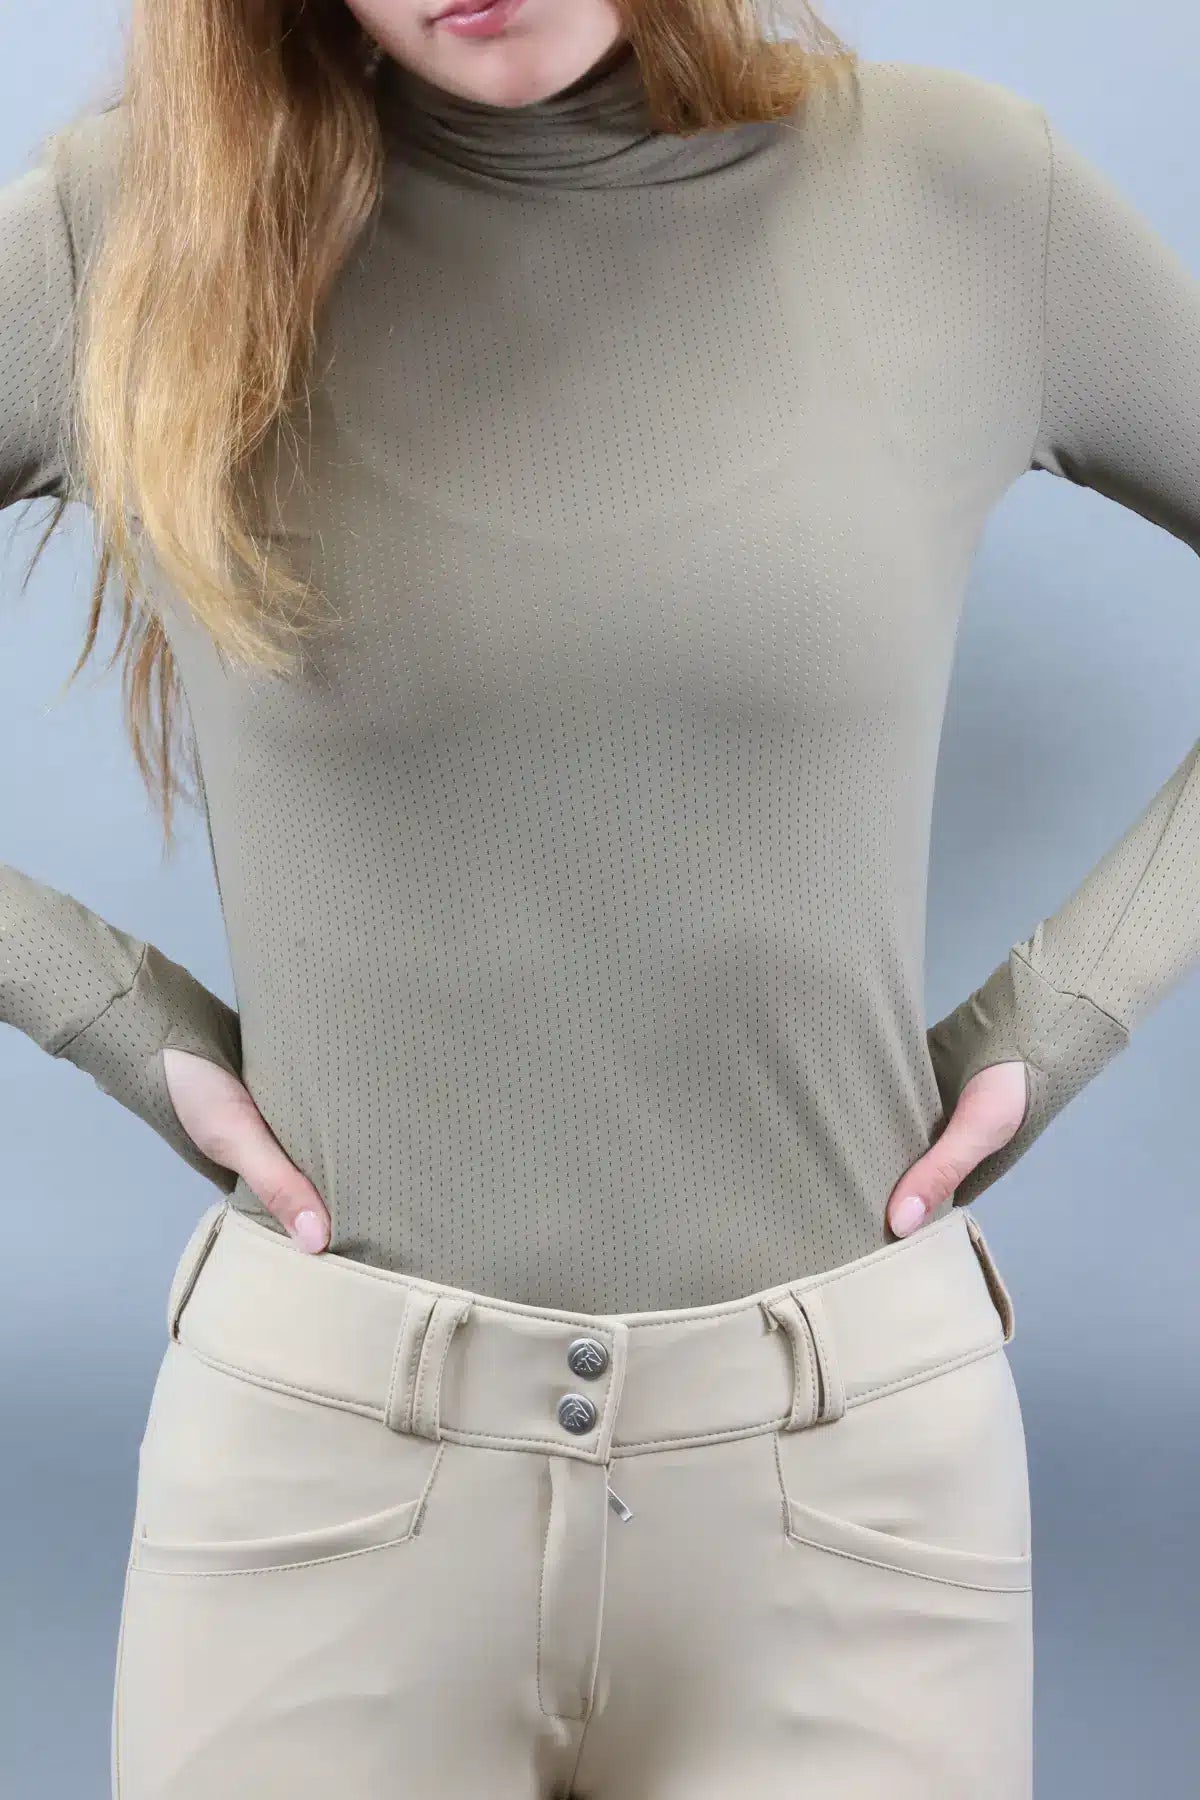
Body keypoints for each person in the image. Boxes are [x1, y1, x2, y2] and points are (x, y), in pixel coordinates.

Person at [1, 1, 1195, 1795]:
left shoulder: (958, 195)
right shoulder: (137, 228)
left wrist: (1076, 1002)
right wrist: (93, 1004)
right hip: (319, 1490)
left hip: (856, 1494)